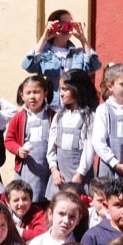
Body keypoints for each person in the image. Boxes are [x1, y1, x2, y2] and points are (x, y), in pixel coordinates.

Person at [22, 9, 102, 92]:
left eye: (69, 25)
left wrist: (83, 39)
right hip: (51, 103)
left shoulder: (78, 54)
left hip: (74, 103)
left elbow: (94, 65)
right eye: (61, 25)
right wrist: (44, 38)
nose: (66, 29)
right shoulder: (43, 53)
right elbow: (29, 67)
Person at [47, 69, 98, 197]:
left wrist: (80, 174)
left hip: (79, 175)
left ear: (78, 89)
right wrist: (54, 170)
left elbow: (89, 148)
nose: (61, 94)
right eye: (60, 89)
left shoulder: (89, 117)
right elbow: (52, 147)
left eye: (65, 89)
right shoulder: (59, 116)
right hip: (60, 176)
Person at [4, 75, 55, 202]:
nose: (32, 96)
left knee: (47, 200)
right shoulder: (19, 117)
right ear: (22, 95)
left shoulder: (53, 116)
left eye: (37, 92)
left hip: (48, 166)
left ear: (45, 93)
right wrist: (18, 149)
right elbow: (9, 140)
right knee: (26, 198)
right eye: (28, 93)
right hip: (27, 168)